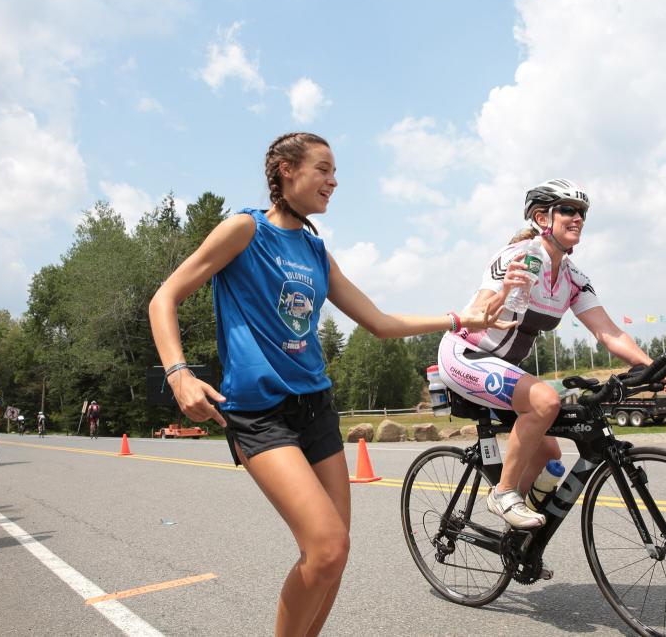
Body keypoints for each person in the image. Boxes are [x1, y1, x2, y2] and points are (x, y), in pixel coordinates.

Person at [148, 132, 511, 636]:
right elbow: (164, 298)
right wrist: (179, 373)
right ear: (285, 170)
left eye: (335, 172)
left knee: (333, 558)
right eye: (323, 169)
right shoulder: (244, 230)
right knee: (326, 547)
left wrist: (460, 319)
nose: (334, 181)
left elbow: (380, 322)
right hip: (259, 414)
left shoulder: (316, 250)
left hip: (316, 408)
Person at [438, 178, 666, 531]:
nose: (578, 218)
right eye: (568, 210)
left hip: (502, 367)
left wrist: (653, 368)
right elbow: (477, 310)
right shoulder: (516, 258)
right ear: (542, 218)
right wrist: (505, 290)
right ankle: (503, 494)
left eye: (582, 212)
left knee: (549, 454)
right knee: (544, 400)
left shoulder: (573, 279)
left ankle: (514, 539)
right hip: (465, 354)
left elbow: (609, 332)